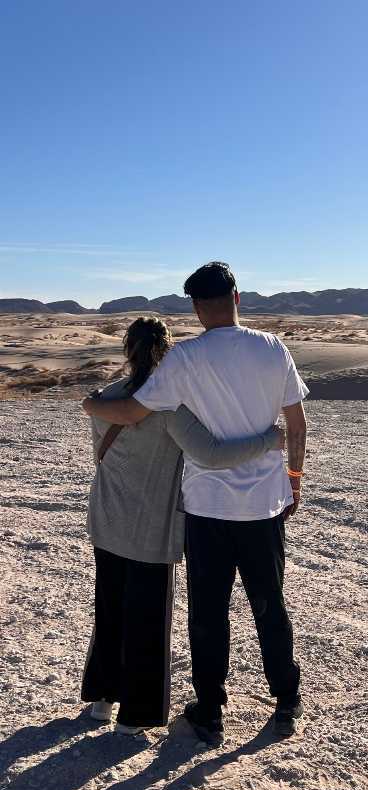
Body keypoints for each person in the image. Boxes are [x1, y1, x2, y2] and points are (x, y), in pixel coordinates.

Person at [83, 262, 308, 742]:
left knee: (208, 614)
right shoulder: (274, 348)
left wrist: (90, 403)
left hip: (208, 507)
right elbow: (297, 423)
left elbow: (132, 411)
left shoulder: (185, 358)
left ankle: (209, 711)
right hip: (265, 505)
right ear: (237, 297)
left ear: (197, 307)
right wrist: (294, 478)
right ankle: (286, 699)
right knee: (270, 603)